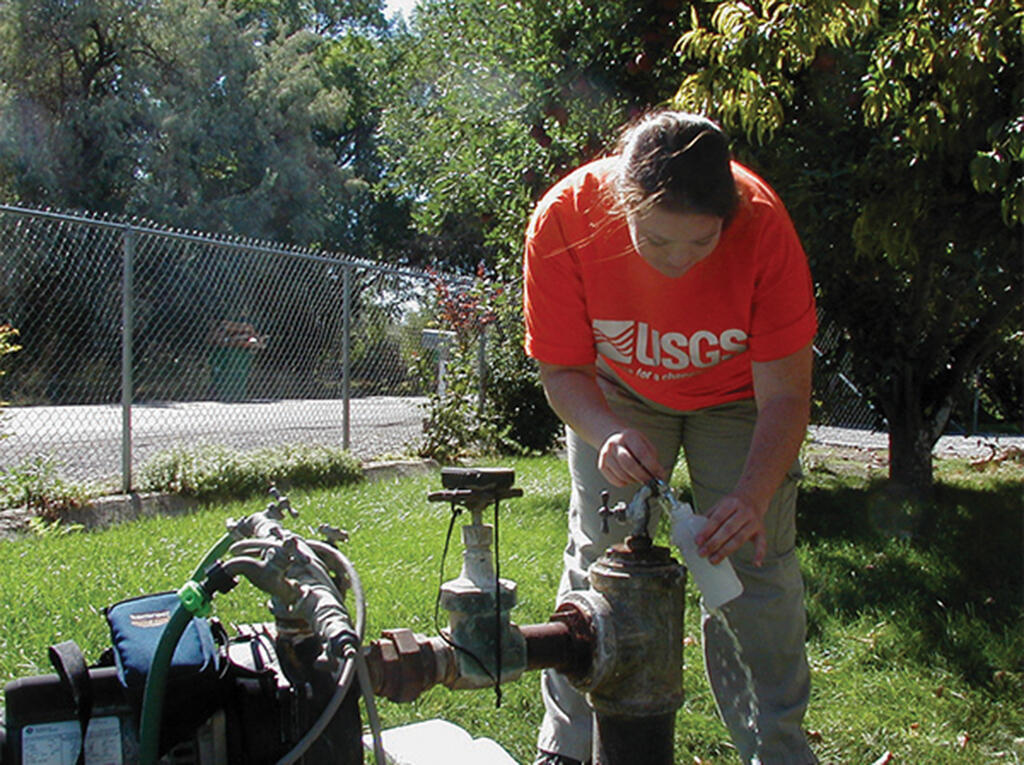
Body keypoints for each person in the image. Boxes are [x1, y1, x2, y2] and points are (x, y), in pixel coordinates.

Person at [522, 111, 818, 765]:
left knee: (753, 569)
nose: (680, 262)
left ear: (730, 215)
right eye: (656, 241)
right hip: (618, 395)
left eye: (701, 242)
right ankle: (568, 746)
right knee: (598, 554)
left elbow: (787, 396)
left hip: (741, 401)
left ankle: (778, 750)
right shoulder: (566, 218)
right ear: (620, 203)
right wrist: (607, 431)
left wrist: (750, 493)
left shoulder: (765, 225)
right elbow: (563, 371)